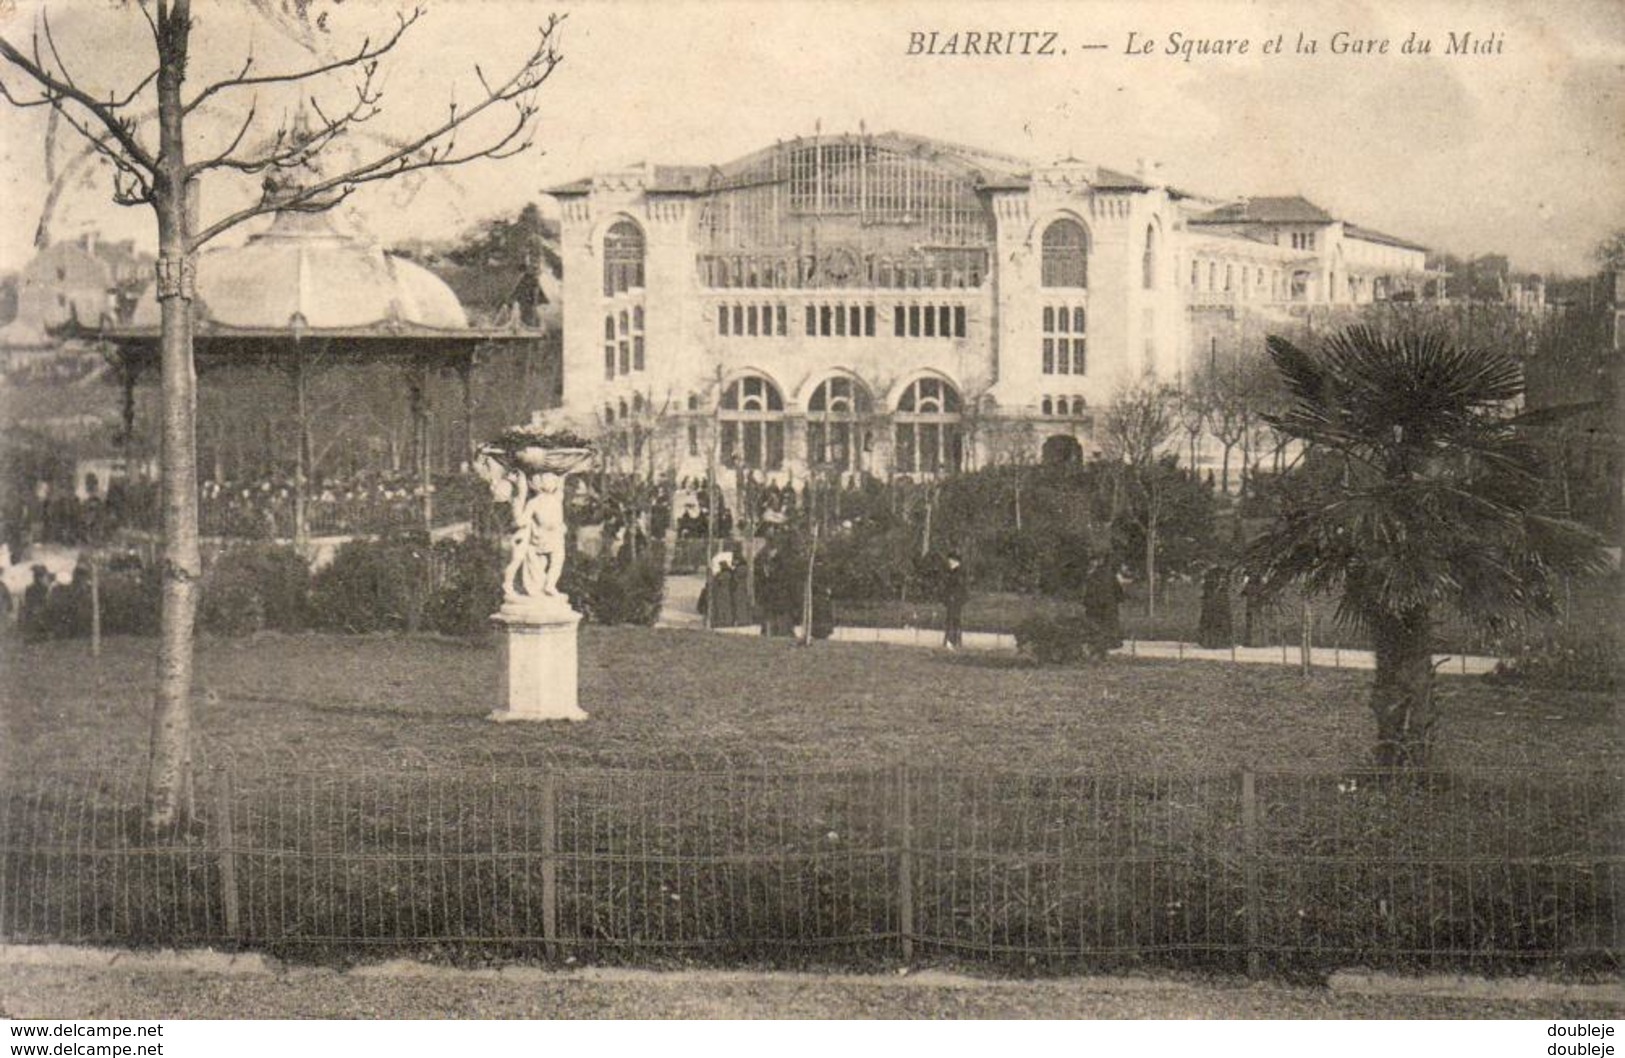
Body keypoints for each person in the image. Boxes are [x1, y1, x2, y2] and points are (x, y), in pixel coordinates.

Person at [941, 551, 967, 650]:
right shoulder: (954, 572)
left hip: (955, 600)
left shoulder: (958, 572)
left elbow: (959, 587)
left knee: (952, 620)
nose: (949, 562)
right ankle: (954, 641)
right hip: (953, 599)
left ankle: (952, 641)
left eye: (951, 560)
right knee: (953, 620)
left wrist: (953, 597)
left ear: (956, 561)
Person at [20, 565, 51, 643]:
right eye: (37, 576)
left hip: (36, 612)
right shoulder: (42, 588)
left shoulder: (41, 588)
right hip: (36, 612)